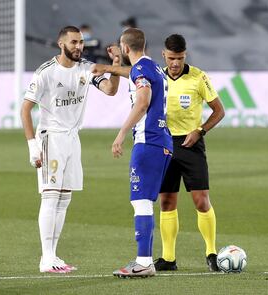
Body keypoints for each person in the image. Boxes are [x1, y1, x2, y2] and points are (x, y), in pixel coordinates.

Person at [21, 25, 120, 273]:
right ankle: (46, 258)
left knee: (64, 198)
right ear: (61, 43)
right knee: (51, 196)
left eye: (81, 42)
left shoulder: (86, 68)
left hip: (72, 139)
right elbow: (25, 109)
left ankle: (53, 256)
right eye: (74, 42)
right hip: (51, 137)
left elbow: (110, 90)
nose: (79, 46)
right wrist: (33, 145)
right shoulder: (46, 72)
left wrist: (116, 65)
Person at [91, 28, 173, 278]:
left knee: (140, 201)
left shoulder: (142, 70)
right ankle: (144, 260)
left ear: (125, 48)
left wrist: (122, 132)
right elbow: (135, 74)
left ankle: (144, 262)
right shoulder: (153, 67)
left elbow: (143, 101)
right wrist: (111, 67)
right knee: (145, 201)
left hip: (147, 142)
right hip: (162, 142)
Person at [154, 34, 225, 272]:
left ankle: (212, 253)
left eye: (180, 58)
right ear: (164, 54)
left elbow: (218, 111)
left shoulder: (198, 77)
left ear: (185, 55)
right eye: (172, 58)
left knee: (201, 201)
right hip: (164, 144)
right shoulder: (156, 77)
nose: (176, 63)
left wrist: (200, 131)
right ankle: (168, 258)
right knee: (166, 201)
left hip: (191, 144)